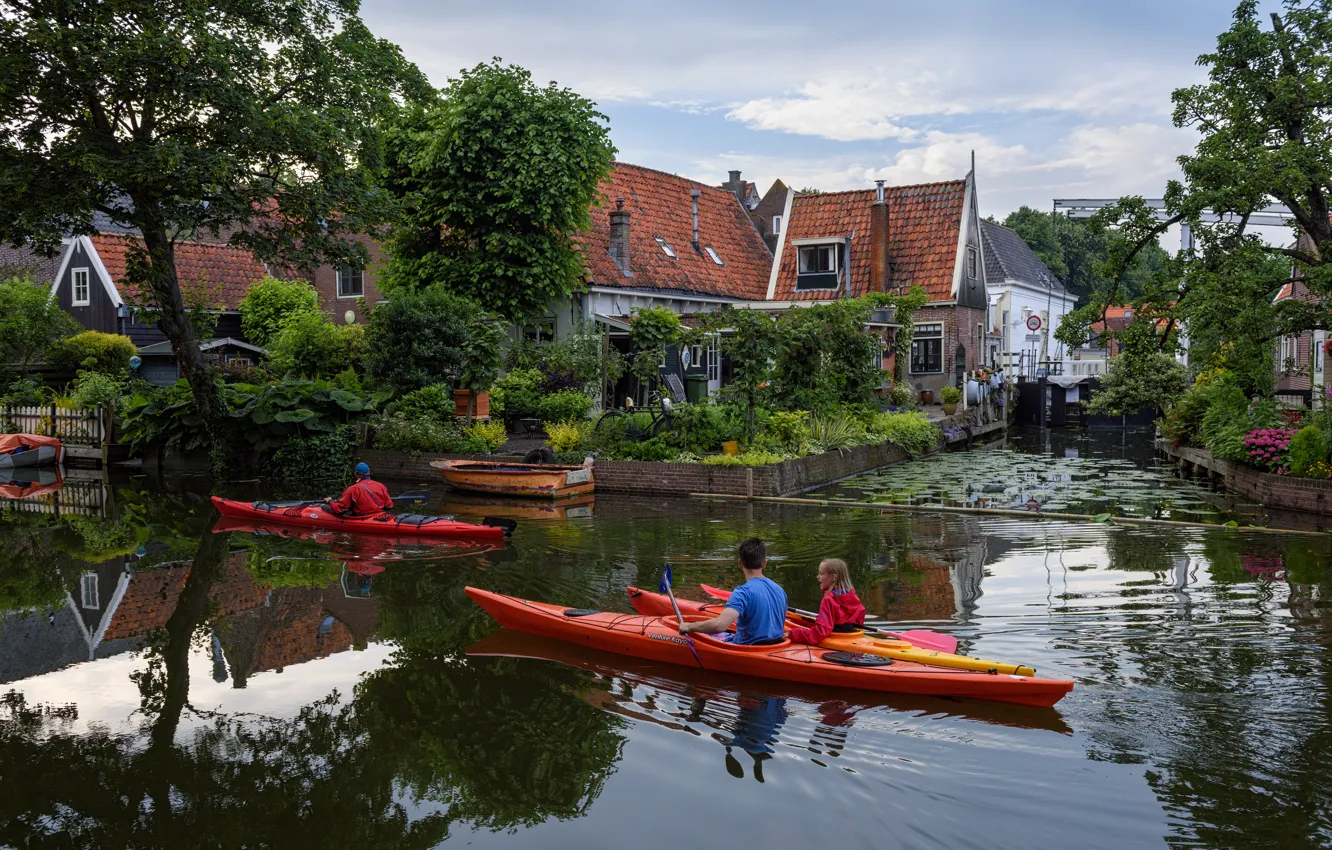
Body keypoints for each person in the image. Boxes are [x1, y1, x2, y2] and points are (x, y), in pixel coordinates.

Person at [679, 538, 787, 645]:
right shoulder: (780, 590)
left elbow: (720, 625)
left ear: (740, 564)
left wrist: (689, 626)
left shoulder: (742, 592)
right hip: (776, 645)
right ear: (764, 564)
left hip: (748, 649)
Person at [788, 558, 866, 646]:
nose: (818, 577)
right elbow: (861, 613)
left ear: (833, 577)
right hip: (849, 637)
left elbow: (821, 631)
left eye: (821, 574)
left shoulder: (828, 600)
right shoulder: (851, 594)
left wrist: (792, 634)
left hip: (836, 641)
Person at [325, 462, 392, 516]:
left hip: (363, 518)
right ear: (369, 472)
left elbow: (339, 510)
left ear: (355, 474)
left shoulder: (353, 489)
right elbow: (389, 506)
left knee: (324, 507)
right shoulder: (381, 486)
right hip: (379, 516)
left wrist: (330, 501)